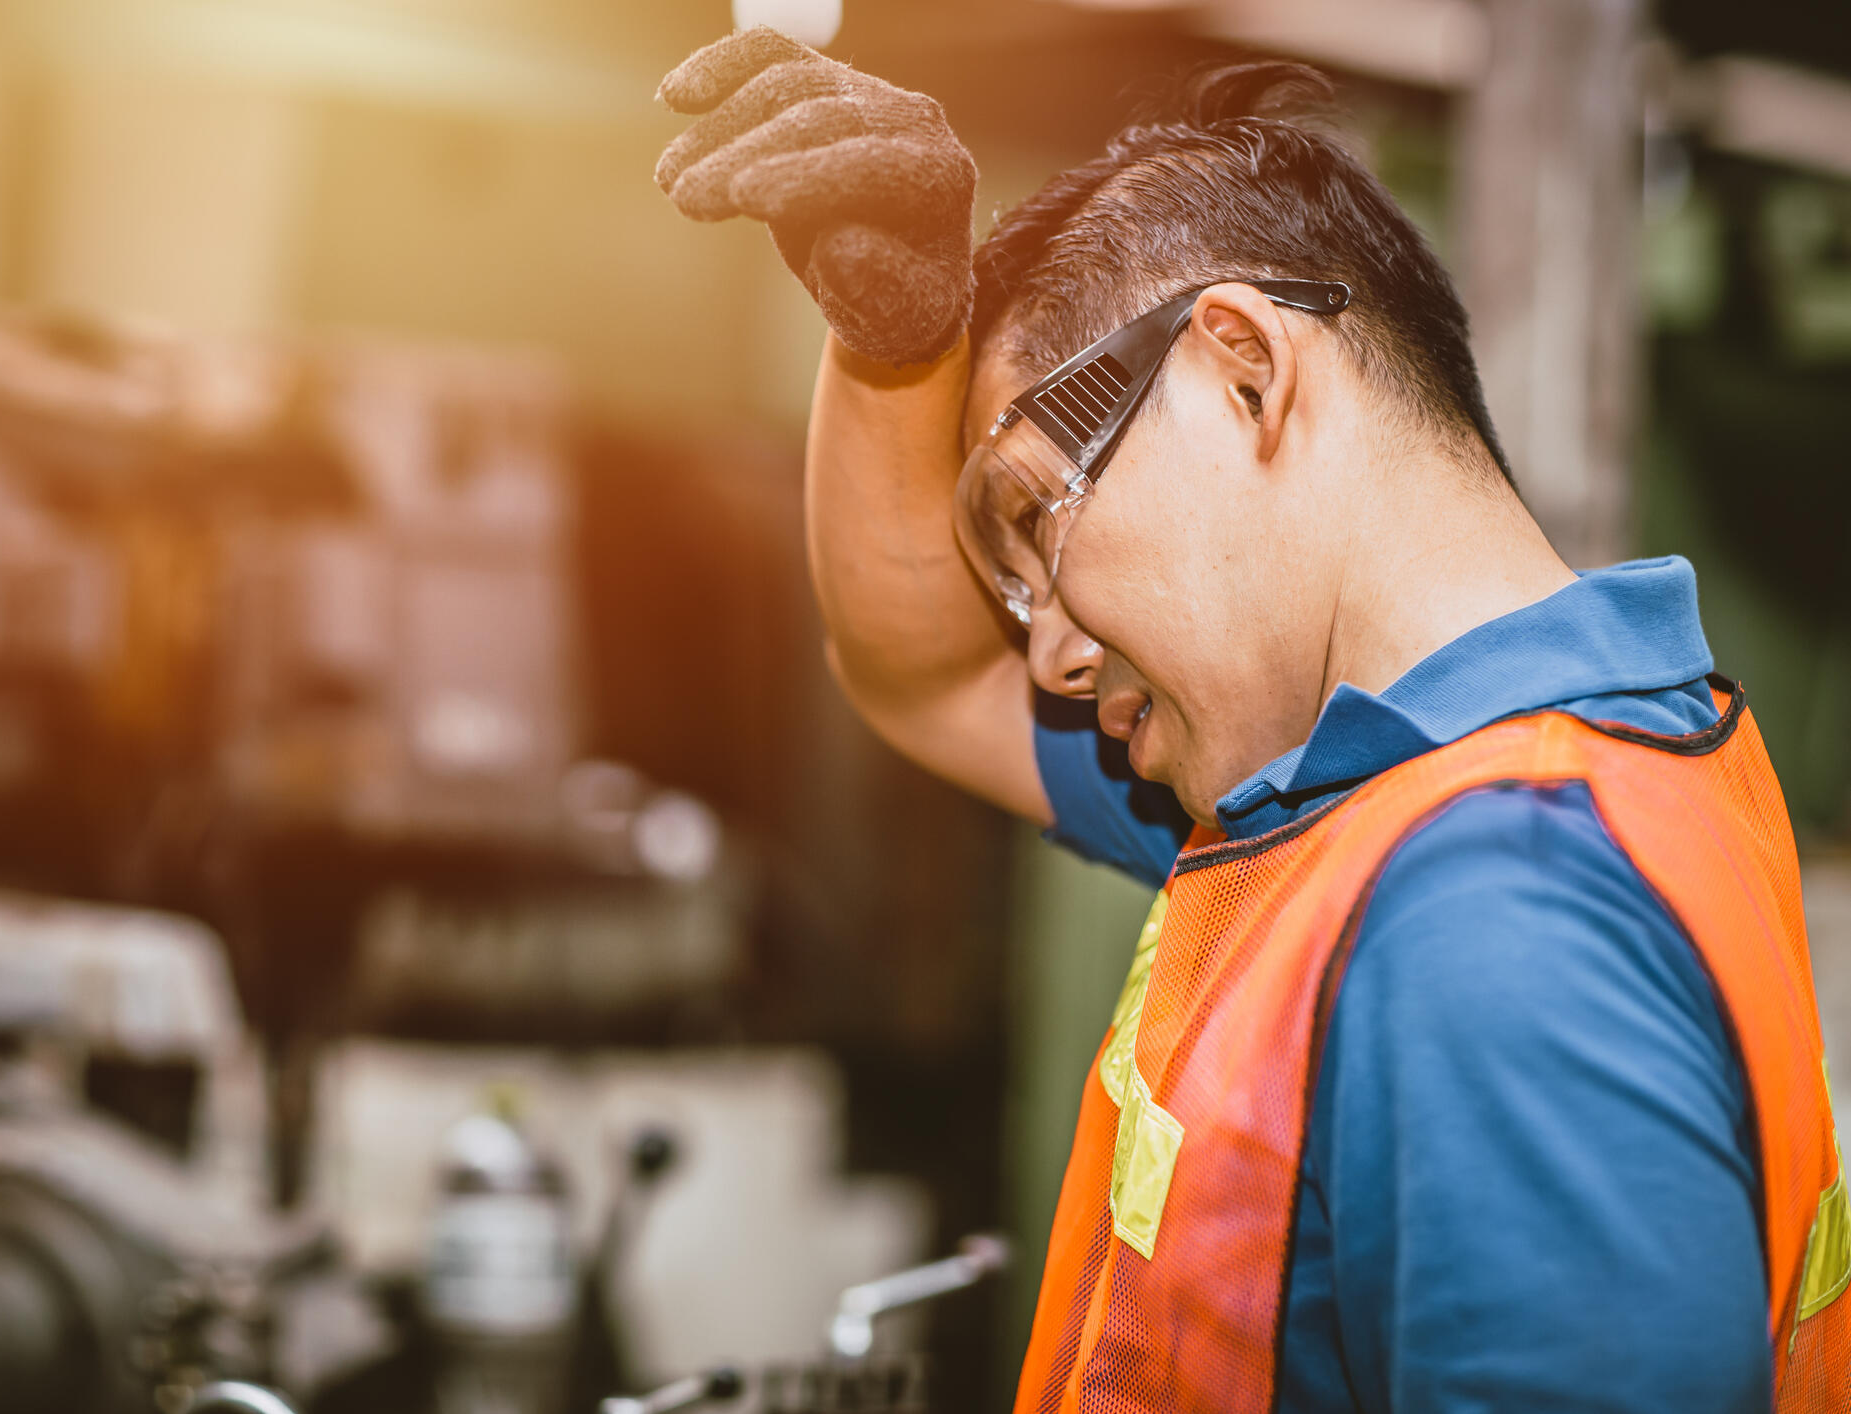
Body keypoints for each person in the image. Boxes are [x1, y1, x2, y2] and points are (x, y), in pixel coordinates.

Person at [654, 28, 1849, 1414]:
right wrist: (892, 348)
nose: (1041, 654)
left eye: (1040, 517)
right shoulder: (1364, 796)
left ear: (1241, 371)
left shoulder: (1494, 914)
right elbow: (923, 675)